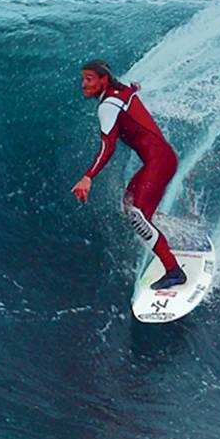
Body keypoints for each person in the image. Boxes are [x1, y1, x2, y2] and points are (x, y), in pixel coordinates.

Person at [71, 60, 186, 290]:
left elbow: (108, 146)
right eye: (83, 79)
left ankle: (174, 271)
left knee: (136, 215)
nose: (83, 84)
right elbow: (132, 90)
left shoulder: (107, 105)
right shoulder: (121, 90)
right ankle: (163, 231)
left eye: (89, 79)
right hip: (162, 159)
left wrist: (88, 176)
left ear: (103, 80)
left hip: (159, 162)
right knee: (129, 203)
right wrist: (135, 88)